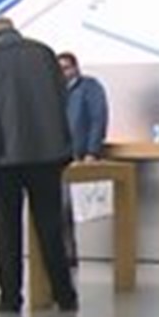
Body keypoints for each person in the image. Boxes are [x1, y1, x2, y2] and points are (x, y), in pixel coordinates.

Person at [0, 17, 78, 314]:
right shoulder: (44, 53)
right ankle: (65, 295)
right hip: (47, 155)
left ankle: (10, 298)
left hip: (3, 155)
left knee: (6, 229)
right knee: (50, 226)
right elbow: (62, 95)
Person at [58, 51, 108, 266]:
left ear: (76, 67)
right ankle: (66, 255)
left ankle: (70, 254)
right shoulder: (53, 90)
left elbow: (99, 118)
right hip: (58, 156)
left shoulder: (89, 87)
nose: (63, 73)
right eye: (59, 69)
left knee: (72, 207)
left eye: (67, 68)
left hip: (81, 155)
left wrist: (92, 151)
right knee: (60, 209)